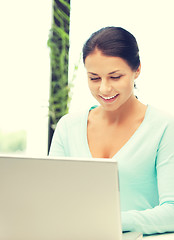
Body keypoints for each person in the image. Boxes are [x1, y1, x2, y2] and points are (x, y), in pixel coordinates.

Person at [49, 26, 174, 235]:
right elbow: (50, 199)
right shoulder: (67, 127)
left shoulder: (164, 127)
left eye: (115, 77)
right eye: (94, 78)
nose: (104, 89)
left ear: (137, 70)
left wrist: (111, 220)